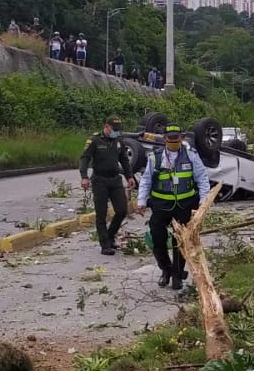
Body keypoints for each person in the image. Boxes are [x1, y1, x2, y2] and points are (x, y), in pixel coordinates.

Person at [136, 123, 211, 290]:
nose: (173, 141)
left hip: (184, 205)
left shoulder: (190, 155)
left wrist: (203, 202)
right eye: (170, 138)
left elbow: (202, 178)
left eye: (176, 137)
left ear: (181, 137)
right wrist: (141, 201)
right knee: (157, 240)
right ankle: (166, 270)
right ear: (164, 139)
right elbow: (146, 180)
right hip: (161, 205)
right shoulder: (155, 157)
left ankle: (177, 275)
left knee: (181, 242)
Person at [80, 116, 138, 255]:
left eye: (118, 130)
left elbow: (124, 159)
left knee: (122, 210)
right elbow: (85, 158)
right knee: (101, 214)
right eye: (114, 129)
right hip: (100, 180)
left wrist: (130, 176)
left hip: (115, 180)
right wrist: (84, 177)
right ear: (106, 127)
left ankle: (111, 235)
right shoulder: (95, 140)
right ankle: (105, 244)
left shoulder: (119, 141)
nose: (116, 132)